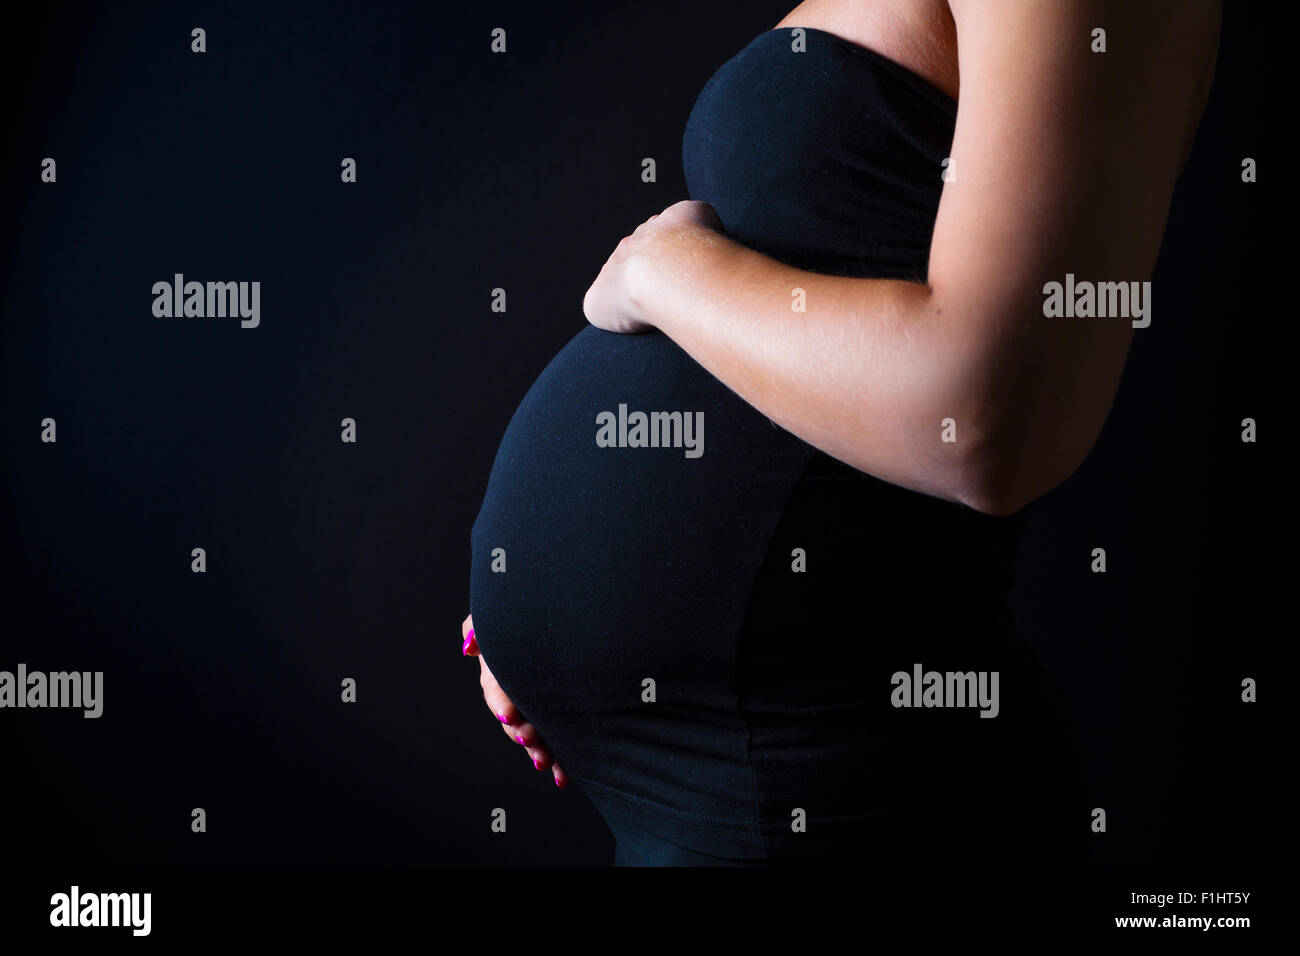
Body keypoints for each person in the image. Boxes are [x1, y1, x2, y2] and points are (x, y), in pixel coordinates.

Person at [464, 0, 1221, 865]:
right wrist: (557, 634)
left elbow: (985, 417)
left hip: (836, 780)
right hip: (708, 783)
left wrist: (663, 272)